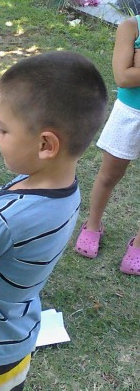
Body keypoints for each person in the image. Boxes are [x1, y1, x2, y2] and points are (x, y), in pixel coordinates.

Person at [0, 51, 107, 390]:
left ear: (46, 144)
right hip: (13, 334)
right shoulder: (63, 189)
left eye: (3, 128)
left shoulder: (3, 220)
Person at [74, 14, 140, 276]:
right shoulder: (130, 26)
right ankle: (92, 225)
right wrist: (132, 70)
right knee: (109, 175)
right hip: (130, 113)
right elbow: (123, 77)